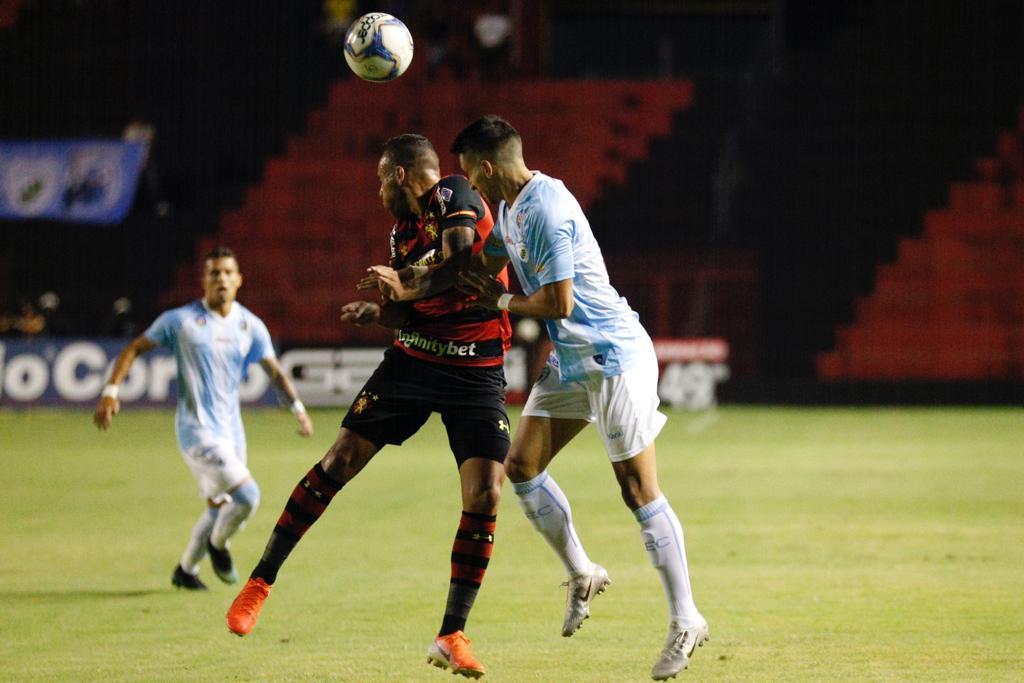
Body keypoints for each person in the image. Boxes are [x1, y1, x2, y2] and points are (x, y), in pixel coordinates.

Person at [225, 134, 512, 680]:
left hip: (476, 368)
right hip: (415, 362)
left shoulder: (456, 193)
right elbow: (409, 311)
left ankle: (452, 632)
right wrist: (378, 312)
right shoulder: (402, 232)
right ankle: (260, 581)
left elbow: (456, 266)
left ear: (402, 175)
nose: (378, 191)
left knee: (486, 492)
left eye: (381, 179)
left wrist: (401, 285)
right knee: (338, 462)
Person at [448, 115, 708, 680]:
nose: (468, 183)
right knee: (521, 466)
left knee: (637, 488)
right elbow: (483, 269)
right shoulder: (512, 207)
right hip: (571, 361)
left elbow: (559, 304)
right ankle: (584, 571)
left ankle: (687, 618)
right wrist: (428, 276)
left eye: (468, 172)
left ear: (487, 167)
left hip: (612, 355)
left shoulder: (545, 208)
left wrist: (496, 305)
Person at [93, 246, 313, 590]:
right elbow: (134, 347)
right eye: (214, 273)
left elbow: (274, 372)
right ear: (204, 281)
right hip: (196, 431)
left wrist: (298, 410)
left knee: (218, 506)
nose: (221, 279)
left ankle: (186, 570)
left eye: (228, 272)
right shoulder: (180, 321)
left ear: (239, 279)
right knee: (247, 497)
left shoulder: (249, 325)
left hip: (232, 432)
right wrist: (110, 391)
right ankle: (218, 546)